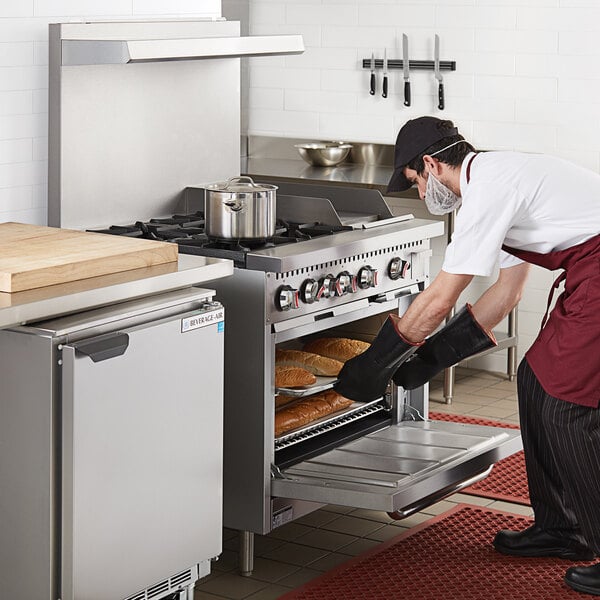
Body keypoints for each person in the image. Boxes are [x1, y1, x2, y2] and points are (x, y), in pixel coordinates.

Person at [334, 116, 600, 596]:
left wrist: (376, 365)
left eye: (416, 182)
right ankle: (564, 530)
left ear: (432, 164)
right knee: (535, 380)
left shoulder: (490, 189)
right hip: (590, 273)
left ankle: (586, 535)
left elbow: (440, 297)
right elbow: (507, 294)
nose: (421, 195)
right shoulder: (496, 183)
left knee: (566, 407)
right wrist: (432, 360)